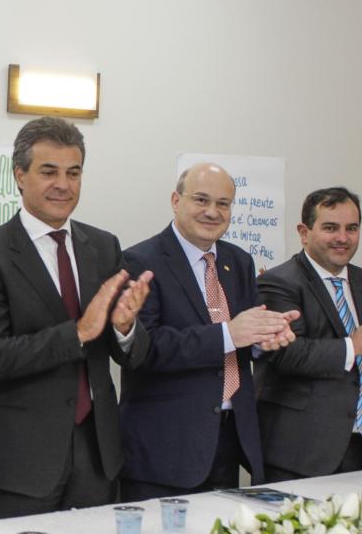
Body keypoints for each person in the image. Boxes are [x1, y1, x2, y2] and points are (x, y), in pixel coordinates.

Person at [0, 116, 153, 518]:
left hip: (98, 456)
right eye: (49, 172)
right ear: (20, 175)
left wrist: (125, 328)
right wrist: (79, 332)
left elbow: (132, 355)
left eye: (73, 172)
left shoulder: (103, 245)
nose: (63, 184)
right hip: (21, 461)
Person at [119, 163, 298, 501]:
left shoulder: (239, 261)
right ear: (176, 200)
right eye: (201, 200)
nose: (212, 212)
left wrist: (265, 339)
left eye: (223, 203)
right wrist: (229, 335)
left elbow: (245, 339)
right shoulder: (139, 260)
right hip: (165, 448)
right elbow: (145, 349)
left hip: (230, 436)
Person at [256, 187, 362, 481]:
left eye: (352, 228)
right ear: (304, 232)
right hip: (299, 450)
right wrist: (351, 346)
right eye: (330, 228)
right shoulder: (277, 283)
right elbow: (285, 354)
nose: (343, 238)